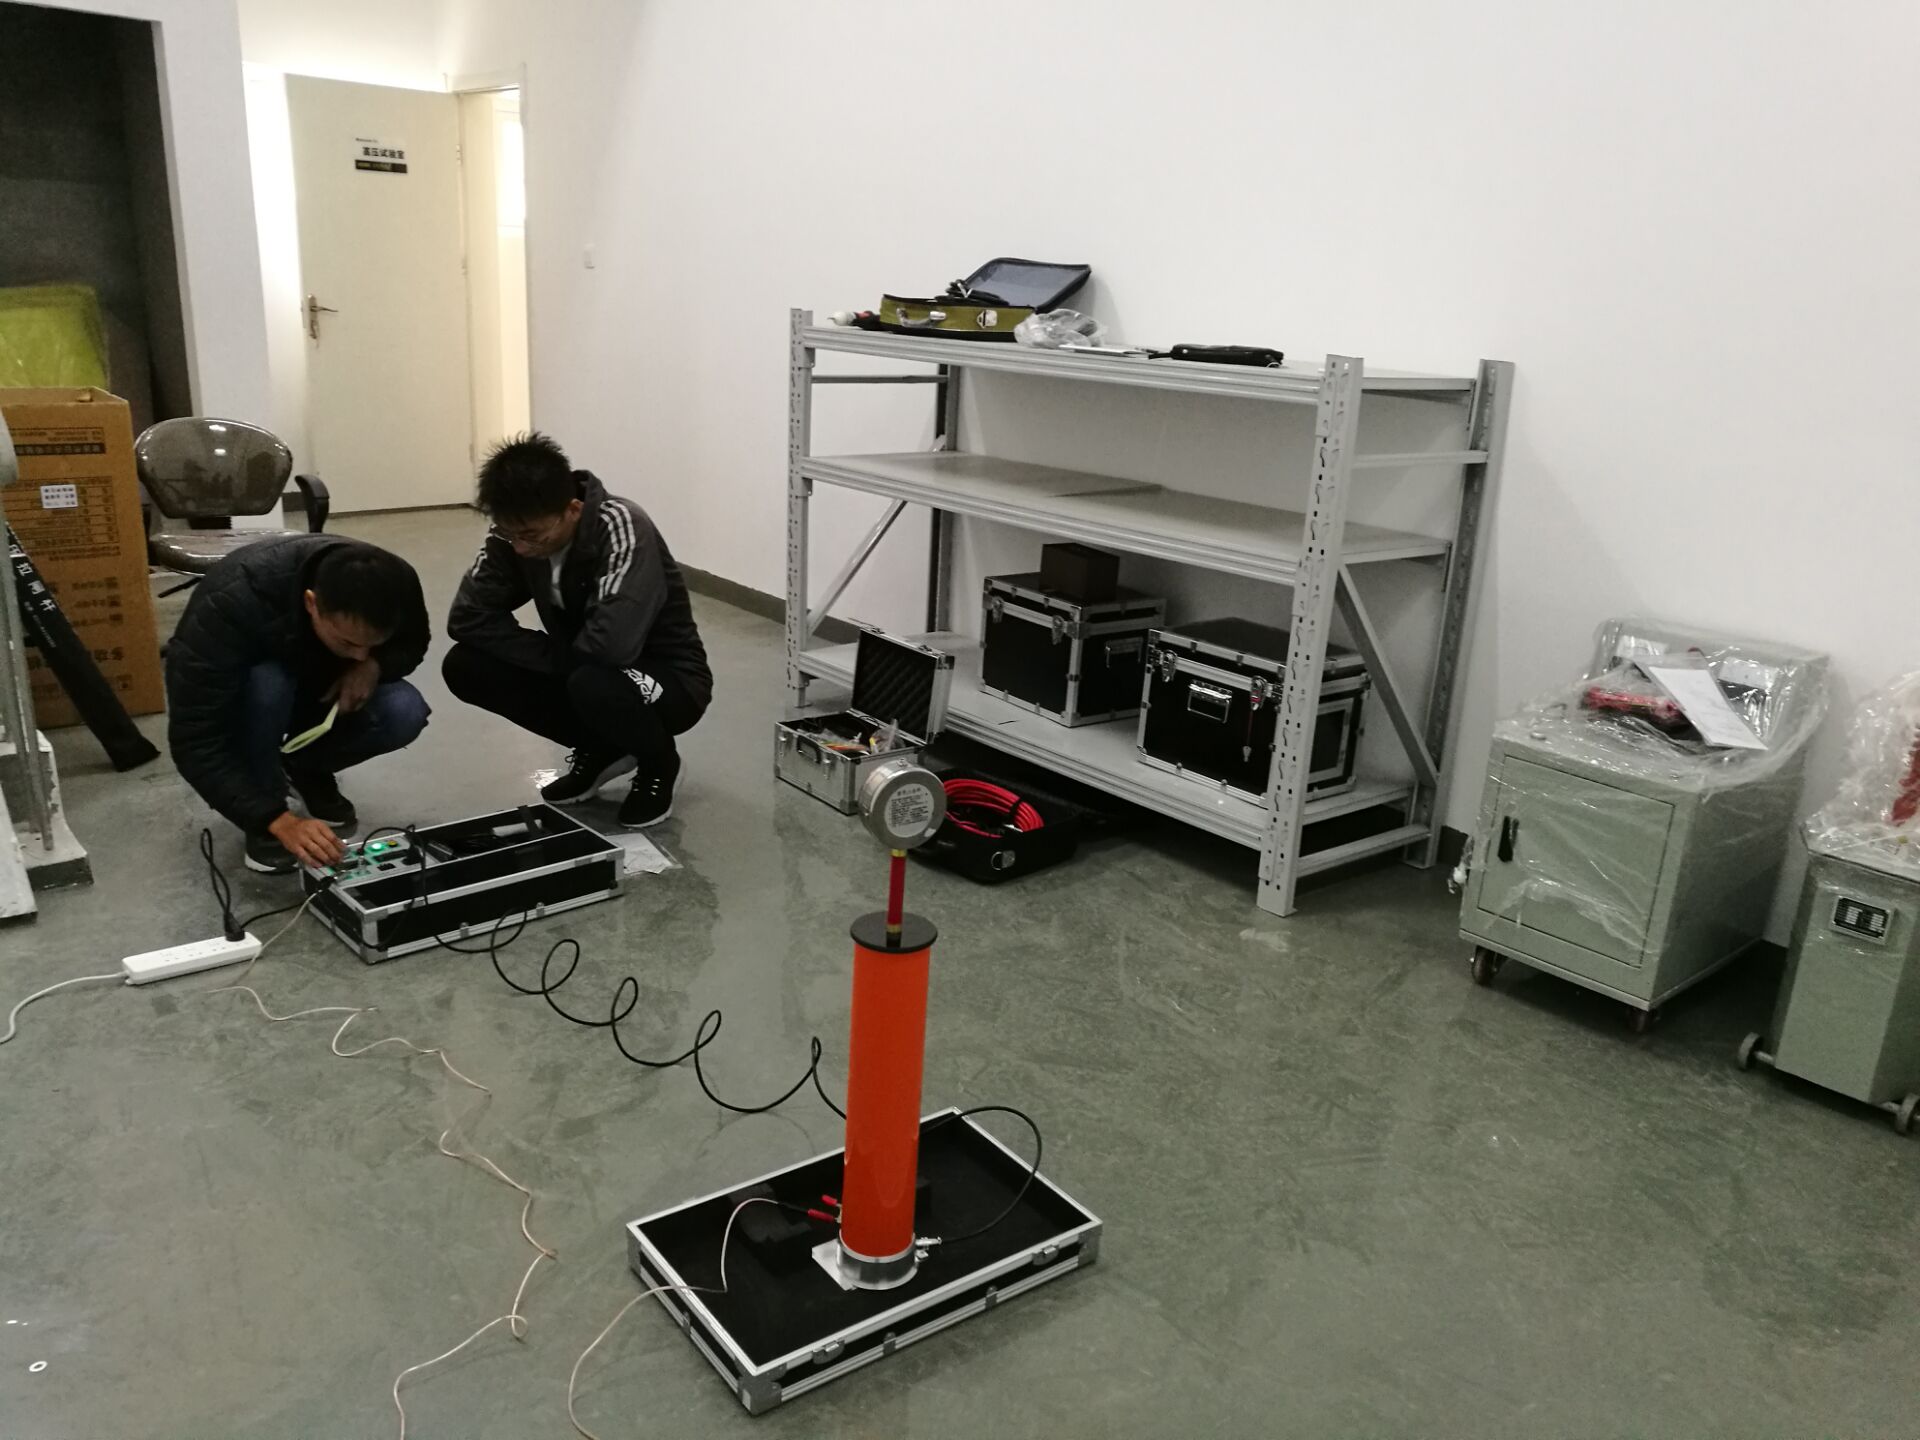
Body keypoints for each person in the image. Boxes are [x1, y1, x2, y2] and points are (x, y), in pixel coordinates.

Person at [442, 432, 711, 828]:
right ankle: (602, 748)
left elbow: (612, 645)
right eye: (510, 533)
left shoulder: (621, 525)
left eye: (531, 535)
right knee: (465, 665)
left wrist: (562, 661)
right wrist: (554, 657)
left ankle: (659, 761)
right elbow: (467, 617)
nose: (520, 547)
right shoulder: (513, 536)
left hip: (668, 679)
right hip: (583, 664)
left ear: (572, 509)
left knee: (594, 681)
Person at [166, 535, 432, 874]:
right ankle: (266, 803)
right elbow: (195, 740)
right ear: (311, 603)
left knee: (403, 710)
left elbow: (412, 642)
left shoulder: (397, 583)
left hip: (318, 691)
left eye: (372, 644)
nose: (359, 654)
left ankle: (306, 769)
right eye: (348, 642)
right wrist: (274, 818)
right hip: (249, 702)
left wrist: (374, 665)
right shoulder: (230, 603)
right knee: (268, 683)